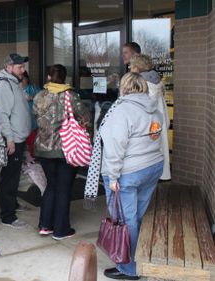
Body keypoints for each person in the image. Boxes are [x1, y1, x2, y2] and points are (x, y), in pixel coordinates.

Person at [94, 73, 163, 280]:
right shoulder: (154, 108)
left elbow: (115, 147)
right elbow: (155, 136)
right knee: (136, 218)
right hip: (151, 168)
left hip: (128, 173)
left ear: (123, 88)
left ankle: (128, 268)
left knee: (125, 221)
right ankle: (137, 259)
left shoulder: (122, 110)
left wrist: (113, 176)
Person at [33, 64, 91, 240]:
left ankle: (45, 225)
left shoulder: (38, 96)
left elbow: (37, 117)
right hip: (67, 149)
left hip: (43, 149)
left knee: (51, 185)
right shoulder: (71, 97)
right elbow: (85, 119)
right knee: (64, 188)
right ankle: (60, 230)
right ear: (65, 78)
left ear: (49, 77)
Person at [0, 53, 31, 228]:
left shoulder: (13, 83)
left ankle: (12, 204)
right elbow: (1, 116)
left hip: (18, 139)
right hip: (12, 139)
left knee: (14, 176)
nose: (23, 70)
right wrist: (9, 139)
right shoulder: (3, 85)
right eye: (19, 67)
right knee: (9, 178)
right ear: (9, 67)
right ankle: (8, 215)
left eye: (23, 66)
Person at [130, 54, 171, 181]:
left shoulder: (142, 85)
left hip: (146, 128)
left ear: (137, 67)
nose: (130, 67)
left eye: (131, 65)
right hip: (158, 124)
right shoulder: (156, 82)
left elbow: (140, 109)